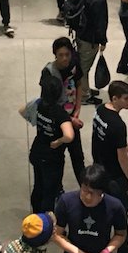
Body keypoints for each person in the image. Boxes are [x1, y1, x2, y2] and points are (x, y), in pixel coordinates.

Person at [91, 80, 128, 253]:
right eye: (126, 98)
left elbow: (113, 141)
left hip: (99, 169)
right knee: (120, 212)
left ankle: (99, 242)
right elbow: (121, 157)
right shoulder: (118, 124)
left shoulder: (100, 111)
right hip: (114, 176)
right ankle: (123, 250)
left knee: (101, 208)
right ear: (115, 98)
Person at [24, 70, 75, 212]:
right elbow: (69, 136)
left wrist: (36, 121)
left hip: (37, 151)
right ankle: (45, 219)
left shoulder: (39, 105)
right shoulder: (60, 113)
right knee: (50, 191)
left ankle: (36, 213)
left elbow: (22, 110)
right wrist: (59, 141)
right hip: (52, 158)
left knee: (38, 185)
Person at [39, 37, 86, 183]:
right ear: (55, 55)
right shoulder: (48, 72)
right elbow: (48, 103)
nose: (65, 58)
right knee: (57, 161)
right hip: (57, 124)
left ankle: (85, 187)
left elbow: (79, 84)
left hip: (72, 117)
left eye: (67, 54)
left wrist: (77, 109)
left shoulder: (74, 65)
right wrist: (70, 120)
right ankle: (57, 189)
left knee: (78, 157)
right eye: (61, 55)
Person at [75, 0, 108, 105]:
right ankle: (83, 95)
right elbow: (100, 22)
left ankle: (85, 89)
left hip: (80, 33)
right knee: (84, 68)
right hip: (90, 38)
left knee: (83, 64)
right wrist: (103, 40)